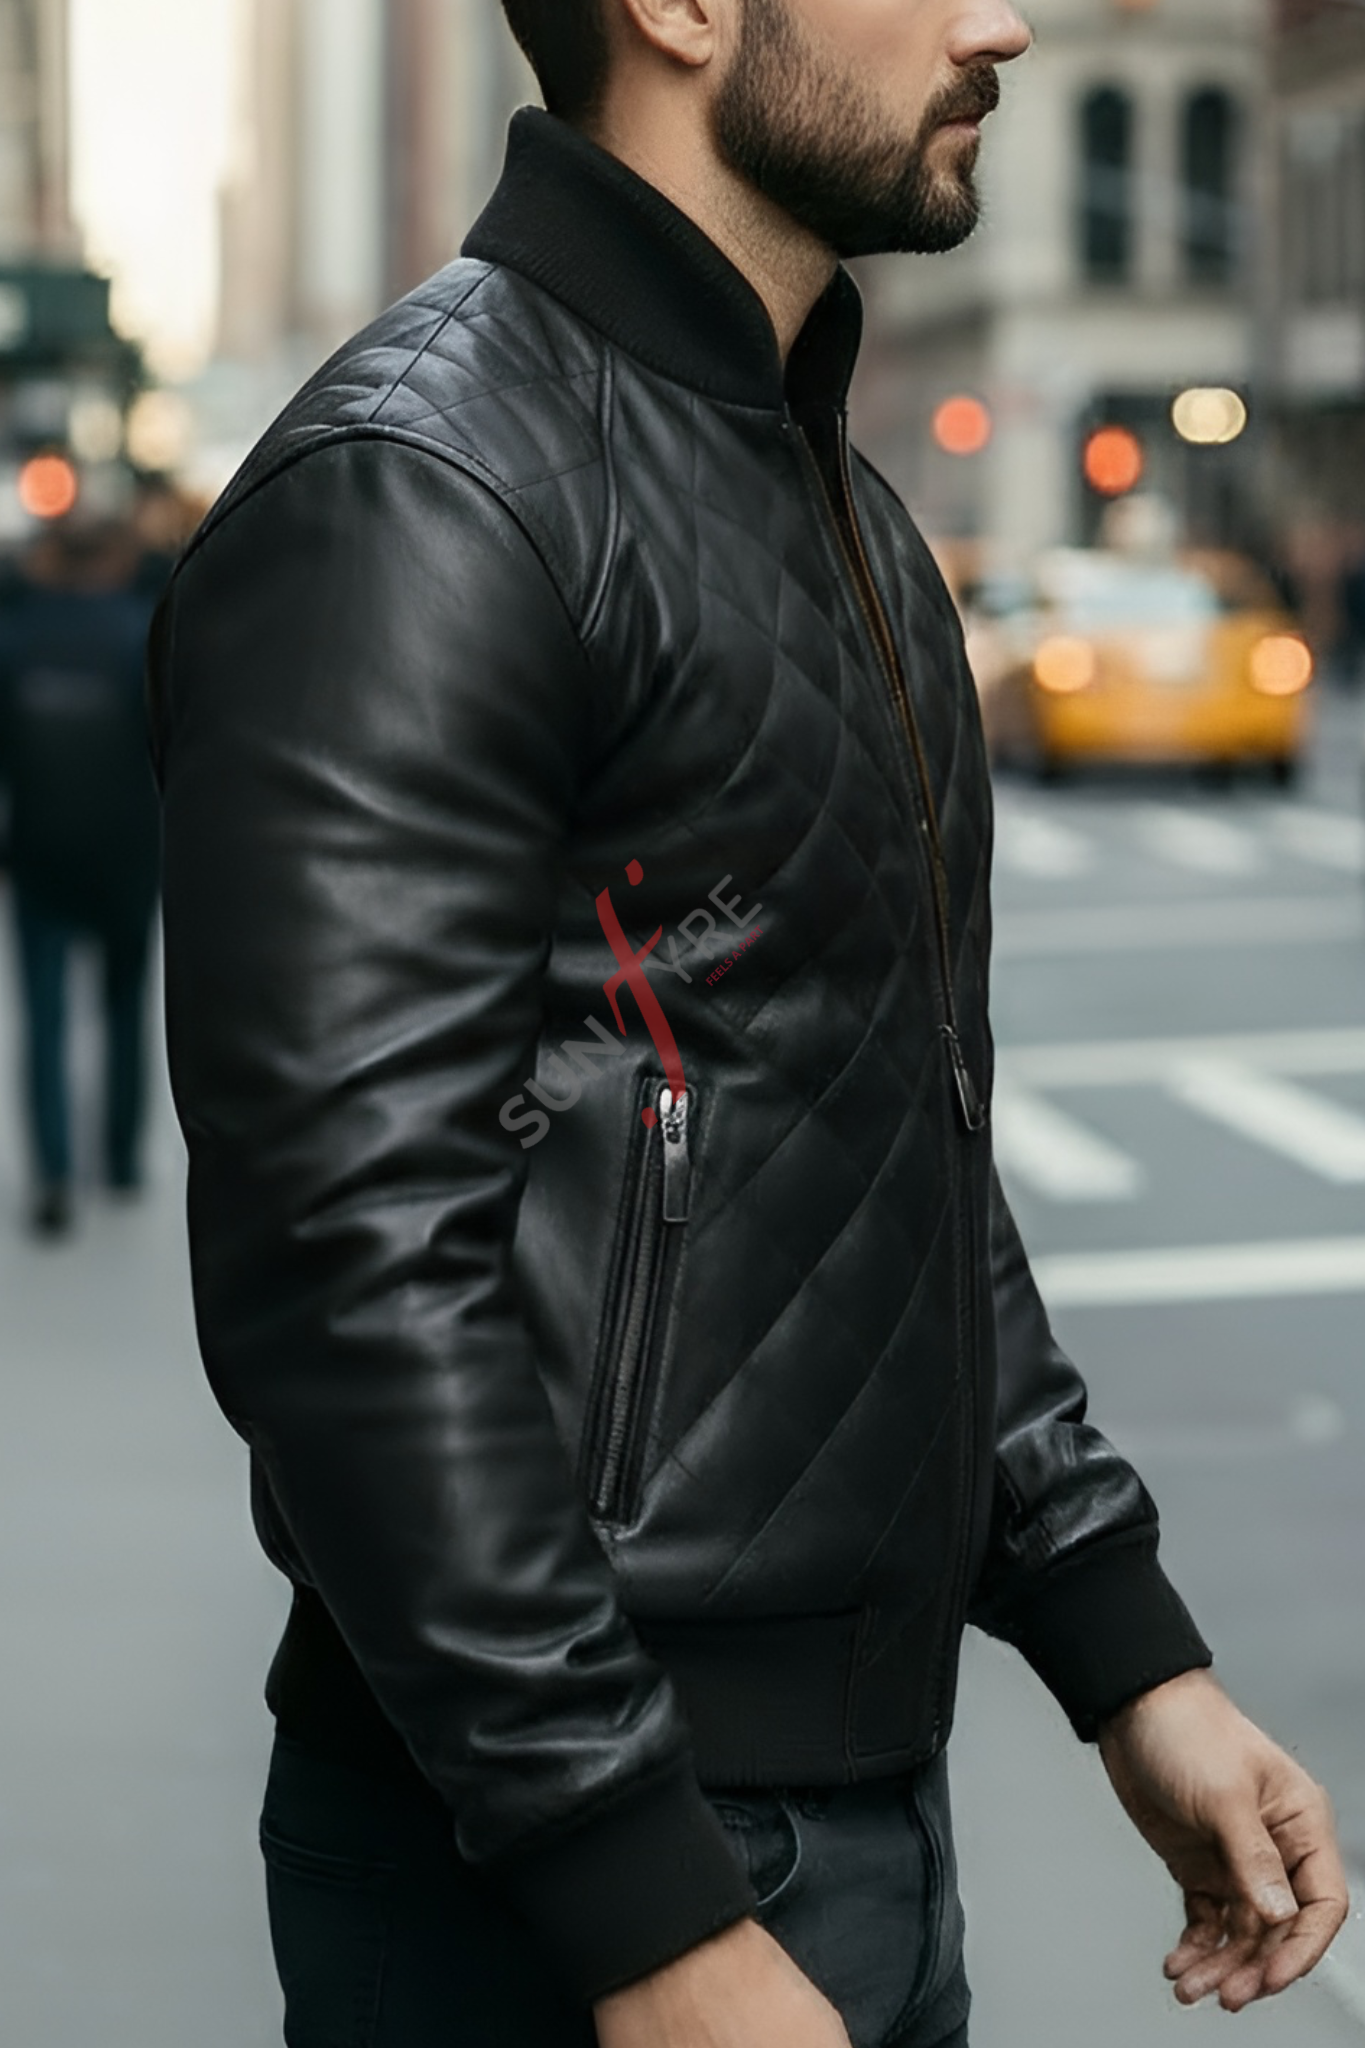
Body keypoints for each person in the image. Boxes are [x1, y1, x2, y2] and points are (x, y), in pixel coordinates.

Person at [150, 3, 1348, 2044]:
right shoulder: (419, 488)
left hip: (846, 1820)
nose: (1002, 21)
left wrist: (1123, 1646)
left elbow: (889, 1144)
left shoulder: (836, 505)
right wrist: (642, 1909)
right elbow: (346, 1280)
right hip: (564, 1874)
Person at [0, 516, 160, 1237]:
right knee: (125, 1011)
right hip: (126, 855)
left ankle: (54, 1174)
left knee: (44, 1020)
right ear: (116, 558)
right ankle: (120, 1160)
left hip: (41, 853)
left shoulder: (16, 637)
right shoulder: (139, 636)